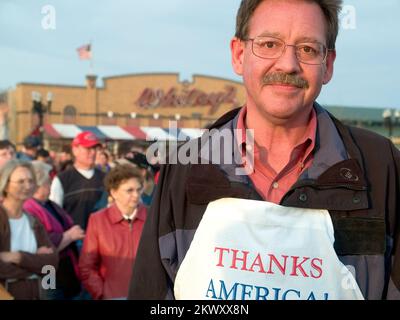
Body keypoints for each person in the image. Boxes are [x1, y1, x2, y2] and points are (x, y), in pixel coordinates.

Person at [128, 0, 400, 300]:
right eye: (269, 44)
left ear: (328, 65)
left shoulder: (381, 166)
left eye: (308, 49)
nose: (288, 64)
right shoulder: (184, 168)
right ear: (238, 54)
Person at [79, 164, 147, 300]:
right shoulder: (98, 220)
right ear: (114, 192)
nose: (136, 195)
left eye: (139, 190)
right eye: (129, 190)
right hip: (112, 295)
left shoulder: (153, 217)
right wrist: (102, 294)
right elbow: (87, 266)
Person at [23, 161, 85, 299]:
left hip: (63, 269)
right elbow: (40, 245)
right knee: (50, 295)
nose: (50, 186)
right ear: (38, 185)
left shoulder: (47, 204)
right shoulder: (29, 207)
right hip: (48, 272)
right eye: (48, 183)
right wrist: (69, 236)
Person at [0, 160, 58, 300]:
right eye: (20, 181)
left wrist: (18, 257)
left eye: (30, 181)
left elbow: (51, 264)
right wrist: (36, 264)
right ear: (6, 184)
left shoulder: (33, 221)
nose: (27, 186)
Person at [49, 131, 106, 231]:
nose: (92, 152)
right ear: (75, 150)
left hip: (101, 238)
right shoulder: (62, 179)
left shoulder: (105, 178)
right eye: (88, 148)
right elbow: (54, 215)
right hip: (73, 241)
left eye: (94, 148)